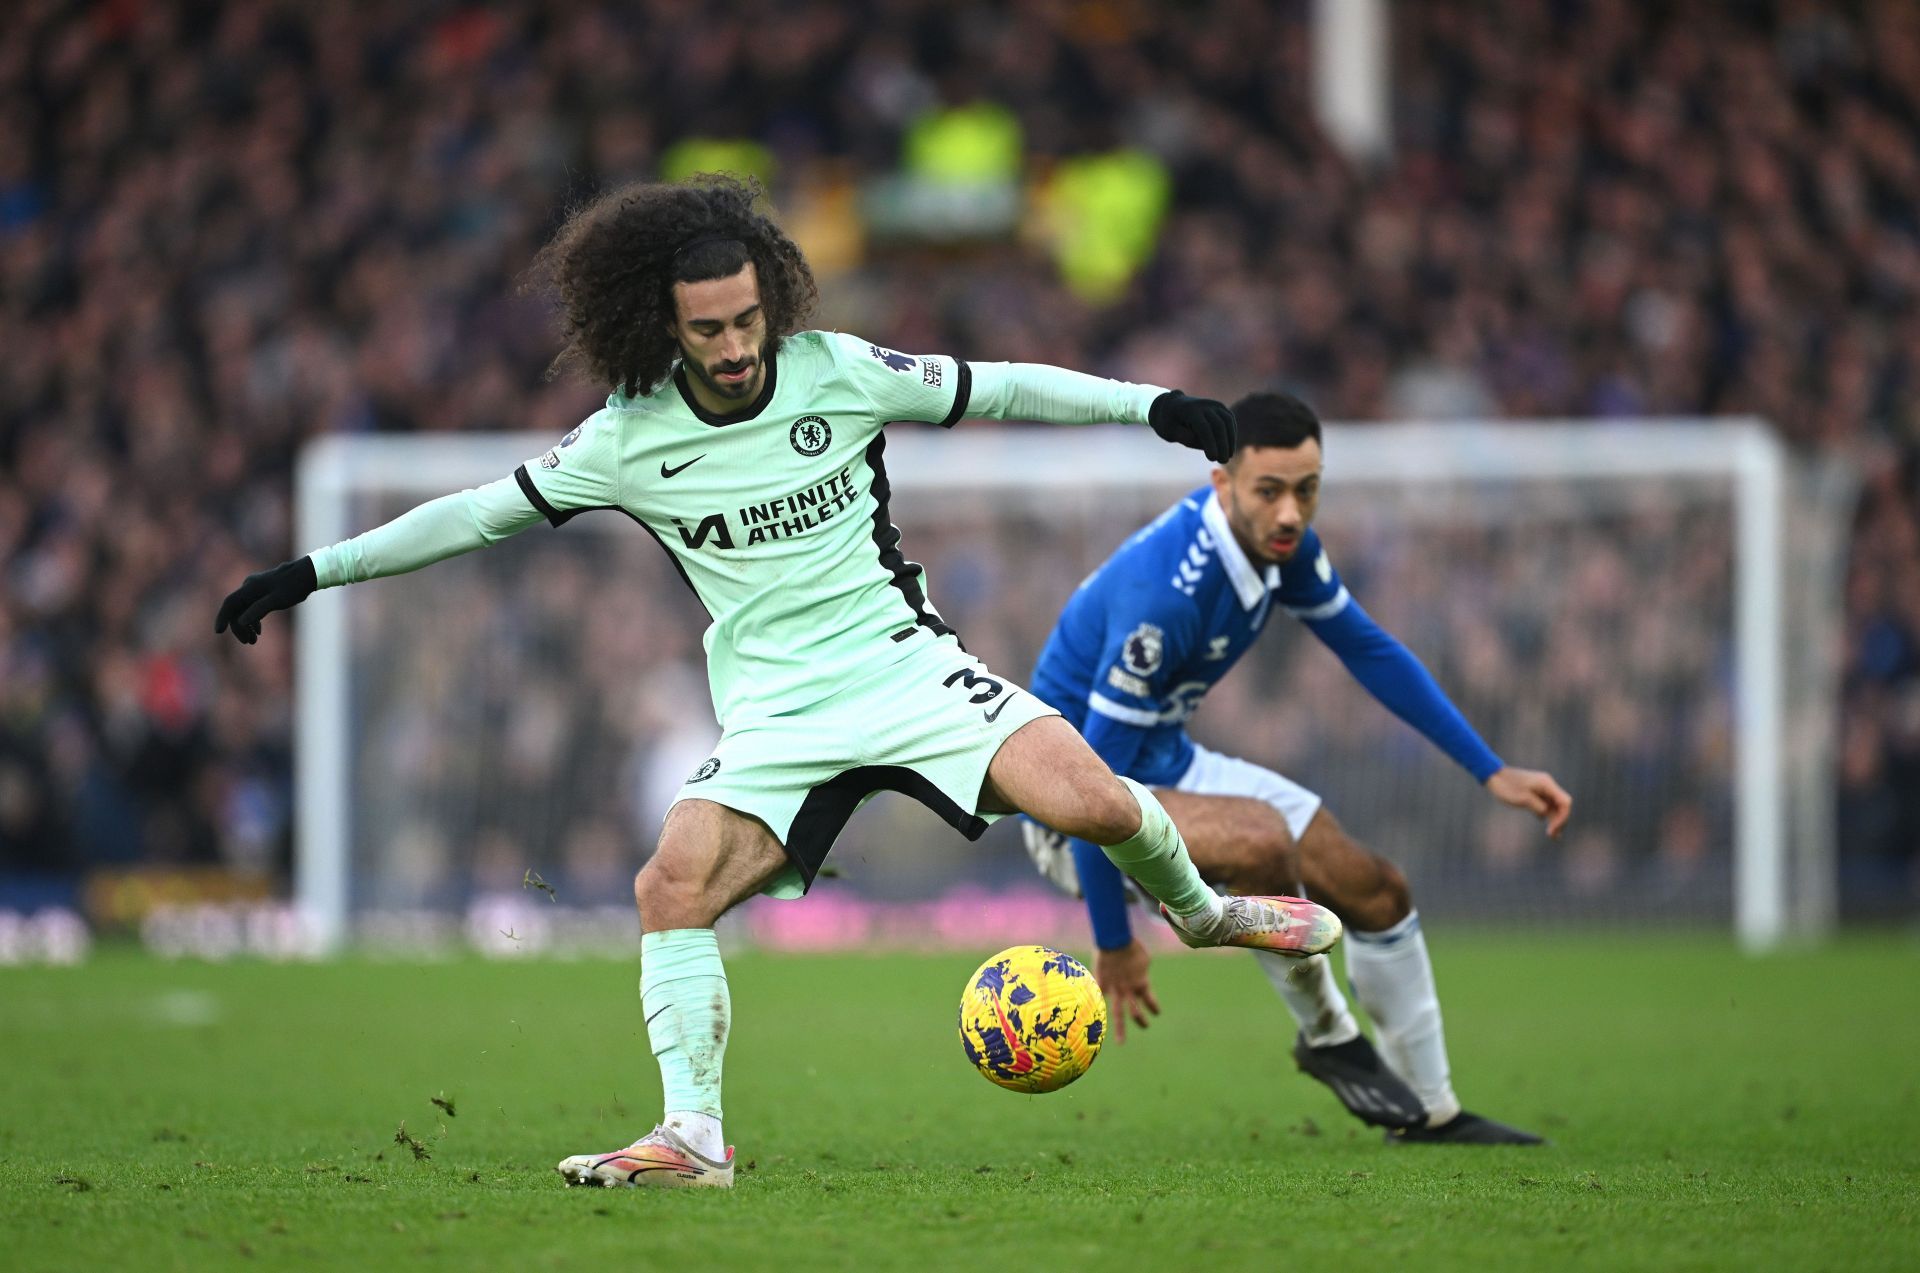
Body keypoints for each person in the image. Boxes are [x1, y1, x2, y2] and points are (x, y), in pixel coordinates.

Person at [215, 175, 1343, 1189]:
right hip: (776, 715)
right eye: (709, 328)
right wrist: (316, 571)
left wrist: (1149, 405)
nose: (736, 343)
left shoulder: (836, 371)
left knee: (1097, 804)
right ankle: (693, 1137)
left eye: (749, 317)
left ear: (774, 299)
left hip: (906, 671)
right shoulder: (626, 439)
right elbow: (475, 514)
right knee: (672, 886)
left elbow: (1000, 389)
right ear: (665, 326)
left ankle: (1202, 915)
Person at [1022, 390, 1573, 1145]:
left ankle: (1432, 1111)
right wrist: (1114, 943)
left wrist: (1489, 769)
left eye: (1306, 490)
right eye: (1270, 491)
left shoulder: (1284, 550)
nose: (1290, 513)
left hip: (1168, 766)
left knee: (1375, 886)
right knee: (1260, 841)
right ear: (1223, 484)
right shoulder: (1164, 600)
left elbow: (1368, 649)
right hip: (1069, 807)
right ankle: (1330, 1035)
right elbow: (1093, 797)